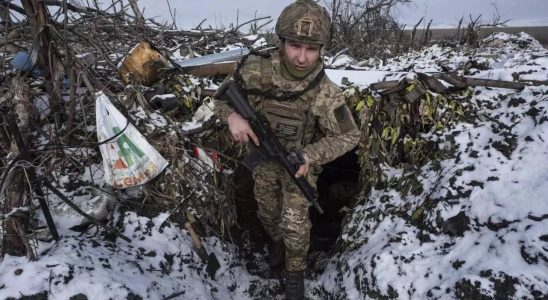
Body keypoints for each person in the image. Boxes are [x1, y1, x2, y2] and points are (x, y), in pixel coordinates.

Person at [214, 0, 360, 299]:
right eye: (295, 46)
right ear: (281, 41)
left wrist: (310, 156)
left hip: (299, 165)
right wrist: (231, 117)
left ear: (322, 49)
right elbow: (220, 99)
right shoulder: (257, 70)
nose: (303, 57)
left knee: (295, 222)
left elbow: (349, 136)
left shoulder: (325, 92)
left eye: (312, 49)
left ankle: (295, 274)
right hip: (264, 161)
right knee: (268, 213)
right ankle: (276, 247)